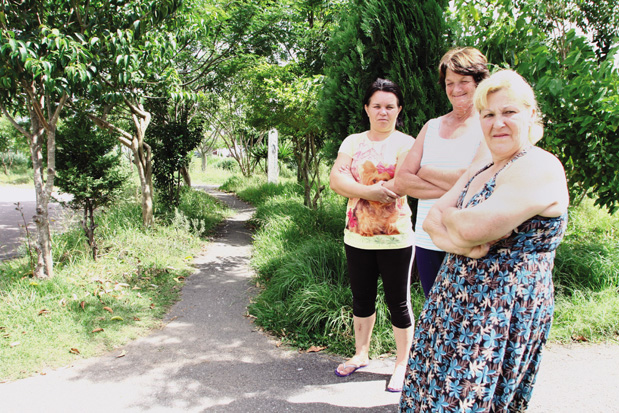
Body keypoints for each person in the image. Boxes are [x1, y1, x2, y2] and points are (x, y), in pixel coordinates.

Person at [399, 69, 569, 412]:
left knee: (464, 402)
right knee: (428, 396)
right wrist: (461, 242)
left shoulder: (539, 165)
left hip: (497, 315)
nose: (497, 123)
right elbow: (431, 220)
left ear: (531, 114)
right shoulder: (484, 167)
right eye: (488, 114)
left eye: (509, 112)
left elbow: (471, 227)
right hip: (451, 306)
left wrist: (455, 222)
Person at [329, 78, 415, 393]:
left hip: (396, 238)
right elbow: (335, 180)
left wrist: (359, 187)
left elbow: (399, 185)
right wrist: (370, 191)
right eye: (376, 105)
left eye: (389, 106)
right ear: (366, 108)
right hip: (357, 236)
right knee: (361, 298)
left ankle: (402, 364)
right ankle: (361, 354)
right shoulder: (352, 142)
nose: (383, 112)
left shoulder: (407, 143)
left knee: (398, 302)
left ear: (399, 109)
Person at [394, 47, 490, 297]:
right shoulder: (431, 127)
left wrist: (426, 171)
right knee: (434, 312)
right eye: (449, 83)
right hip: (427, 240)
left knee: (469, 313)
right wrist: (461, 181)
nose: (456, 89)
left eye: (463, 81)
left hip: (468, 241)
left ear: (479, 82)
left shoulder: (488, 125)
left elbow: (483, 180)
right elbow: (402, 181)